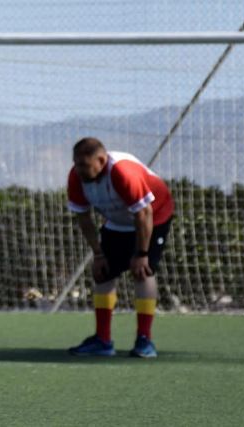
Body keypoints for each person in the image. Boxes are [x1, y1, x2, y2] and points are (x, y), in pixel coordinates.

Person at [66, 137, 174, 358]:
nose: (80, 170)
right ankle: (103, 341)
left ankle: (144, 340)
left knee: (143, 272)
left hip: (154, 215)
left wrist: (142, 254)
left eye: (85, 165)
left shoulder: (123, 173)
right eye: (76, 164)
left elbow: (144, 214)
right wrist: (98, 254)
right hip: (118, 220)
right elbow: (84, 218)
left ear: (101, 160)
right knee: (103, 274)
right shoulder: (76, 177)